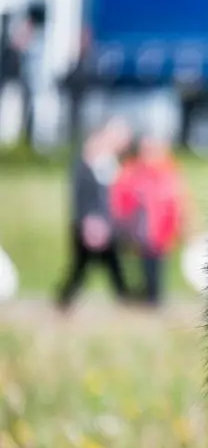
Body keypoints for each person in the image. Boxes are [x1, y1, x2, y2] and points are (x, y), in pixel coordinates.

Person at [55, 116, 133, 312]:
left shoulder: (110, 164)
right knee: (81, 266)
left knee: (112, 263)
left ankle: (123, 296)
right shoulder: (86, 165)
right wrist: (89, 221)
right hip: (89, 224)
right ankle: (64, 298)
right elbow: (82, 197)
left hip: (106, 225)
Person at [110, 133, 187, 307]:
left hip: (161, 228)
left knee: (157, 266)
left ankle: (154, 298)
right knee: (142, 265)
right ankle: (146, 297)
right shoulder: (134, 170)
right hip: (140, 228)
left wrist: (182, 225)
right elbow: (122, 195)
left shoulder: (168, 171)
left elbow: (178, 201)